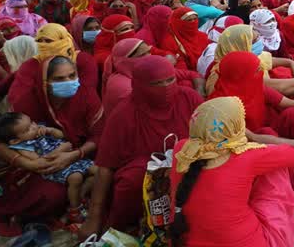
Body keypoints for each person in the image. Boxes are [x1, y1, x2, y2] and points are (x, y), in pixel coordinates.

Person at [81, 55, 203, 236]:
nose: (166, 88)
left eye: (170, 80)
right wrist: (94, 216)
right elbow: (106, 166)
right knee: (134, 178)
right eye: (157, 83)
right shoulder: (124, 114)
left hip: (187, 169)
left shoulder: (189, 98)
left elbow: (210, 131)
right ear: (139, 85)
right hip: (145, 181)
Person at [209, 52, 294, 212]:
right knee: (268, 137)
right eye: (256, 70)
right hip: (240, 151)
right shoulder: (220, 106)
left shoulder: (255, 85)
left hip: (268, 139)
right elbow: (252, 138)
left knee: (293, 114)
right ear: (240, 74)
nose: (261, 74)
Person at [169, 97, 294, 247]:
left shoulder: (181, 149)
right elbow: (292, 155)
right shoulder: (245, 157)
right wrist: (252, 138)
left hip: (183, 240)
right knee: (275, 169)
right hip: (249, 242)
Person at [0, 55, 103, 224]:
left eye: (72, 75)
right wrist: (29, 164)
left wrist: (75, 154)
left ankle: (78, 199)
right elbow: (4, 142)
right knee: (50, 195)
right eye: (59, 79)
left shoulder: (86, 94)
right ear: (44, 80)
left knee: (103, 175)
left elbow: (99, 134)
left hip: (83, 154)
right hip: (43, 161)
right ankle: (73, 205)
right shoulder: (28, 101)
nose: (68, 81)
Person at [0, 111, 97, 224]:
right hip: (56, 168)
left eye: (32, 122)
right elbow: (41, 161)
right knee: (76, 178)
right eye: (27, 129)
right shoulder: (24, 147)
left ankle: (81, 196)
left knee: (98, 170)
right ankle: (75, 209)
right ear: (15, 140)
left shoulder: (41, 129)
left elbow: (62, 135)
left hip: (72, 158)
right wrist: (62, 148)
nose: (34, 127)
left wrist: (50, 130)